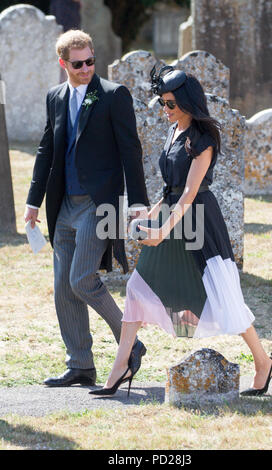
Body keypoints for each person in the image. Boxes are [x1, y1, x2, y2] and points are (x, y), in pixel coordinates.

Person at [90, 66, 272, 398]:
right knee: (136, 288)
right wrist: (152, 213)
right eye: (162, 103)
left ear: (188, 103)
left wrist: (162, 229)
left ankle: (264, 364)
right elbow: (172, 187)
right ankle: (122, 365)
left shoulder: (203, 141)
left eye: (171, 104)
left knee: (224, 299)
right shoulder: (174, 129)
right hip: (170, 220)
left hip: (198, 224)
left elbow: (190, 193)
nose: (165, 110)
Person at [24, 30, 149, 387]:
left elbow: (130, 150)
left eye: (90, 61)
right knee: (64, 288)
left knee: (82, 279)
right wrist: (34, 202)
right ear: (63, 63)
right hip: (63, 206)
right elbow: (46, 150)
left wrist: (137, 202)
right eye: (77, 64)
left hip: (99, 204)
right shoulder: (55, 97)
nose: (85, 69)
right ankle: (80, 364)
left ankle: (131, 343)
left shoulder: (113, 95)